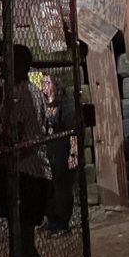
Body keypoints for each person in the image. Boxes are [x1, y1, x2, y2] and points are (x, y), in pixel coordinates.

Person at [0, 45, 52, 257]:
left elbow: (17, 137)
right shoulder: (33, 91)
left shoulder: (17, 94)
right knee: (27, 245)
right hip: (38, 172)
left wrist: (5, 154)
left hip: (25, 174)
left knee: (22, 246)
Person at [42, 73, 78, 234]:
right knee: (49, 188)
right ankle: (51, 221)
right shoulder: (44, 104)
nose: (44, 85)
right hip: (49, 153)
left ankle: (62, 223)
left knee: (62, 188)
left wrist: (73, 154)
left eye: (48, 82)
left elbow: (73, 131)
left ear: (56, 85)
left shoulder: (66, 106)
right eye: (43, 82)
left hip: (63, 152)